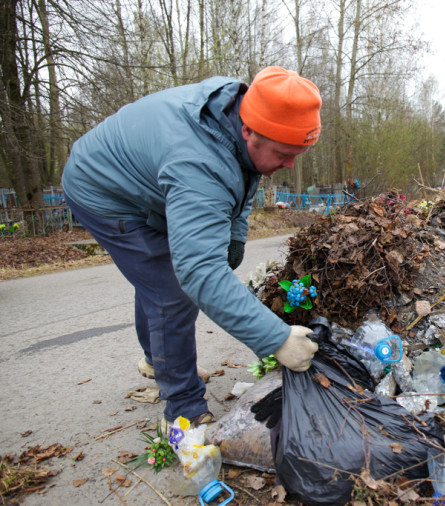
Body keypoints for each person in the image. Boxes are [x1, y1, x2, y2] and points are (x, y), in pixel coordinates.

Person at [61, 67, 321, 428]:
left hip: (153, 180)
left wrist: (235, 234)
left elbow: (247, 172)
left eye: (299, 152)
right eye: (283, 153)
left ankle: (157, 359)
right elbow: (198, 271)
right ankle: (183, 409)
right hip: (103, 189)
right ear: (248, 130)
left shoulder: (238, 111)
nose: (290, 164)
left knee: (159, 279)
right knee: (171, 291)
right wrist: (275, 338)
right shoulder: (199, 161)